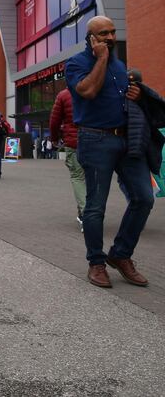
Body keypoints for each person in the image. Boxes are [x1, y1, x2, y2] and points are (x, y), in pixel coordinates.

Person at [66, 15, 155, 288]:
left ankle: (121, 254)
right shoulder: (76, 64)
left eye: (113, 32)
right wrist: (101, 58)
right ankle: (96, 262)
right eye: (103, 33)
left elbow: (123, 98)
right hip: (95, 141)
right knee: (95, 207)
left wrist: (137, 96)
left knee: (144, 197)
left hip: (126, 141)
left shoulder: (119, 64)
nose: (110, 38)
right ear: (91, 38)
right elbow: (89, 91)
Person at [50, 88, 85, 231]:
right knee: (95, 177)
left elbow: (55, 120)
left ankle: (86, 214)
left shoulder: (64, 94)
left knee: (78, 177)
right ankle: (89, 213)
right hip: (97, 141)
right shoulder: (98, 88)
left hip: (74, 141)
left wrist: (54, 138)